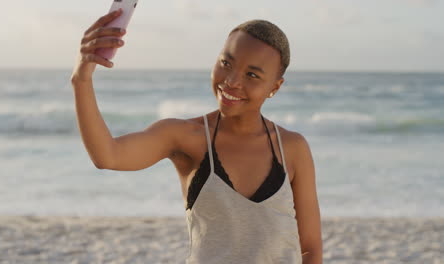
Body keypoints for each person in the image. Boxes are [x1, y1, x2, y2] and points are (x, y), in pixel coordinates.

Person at [71, 9, 322, 264]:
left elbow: (310, 247)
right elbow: (108, 155)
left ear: (274, 87)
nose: (232, 81)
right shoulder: (185, 137)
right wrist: (81, 79)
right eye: (226, 63)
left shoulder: (292, 147)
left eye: (252, 75)